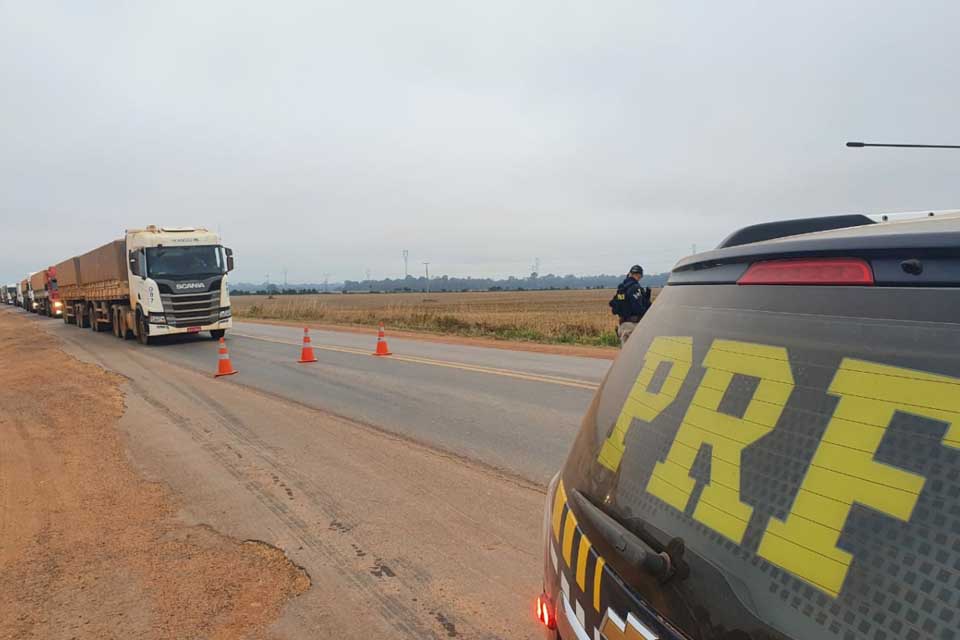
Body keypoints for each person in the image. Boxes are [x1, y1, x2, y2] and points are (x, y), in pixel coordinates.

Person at [609, 264, 651, 347]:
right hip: (632, 326)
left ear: (629, 274)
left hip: (623, 326)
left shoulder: (622, 288)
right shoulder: (635, 288)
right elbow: (638, 308)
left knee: (625, 355)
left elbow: (613, 305)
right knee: (634, 356)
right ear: (639, 276)